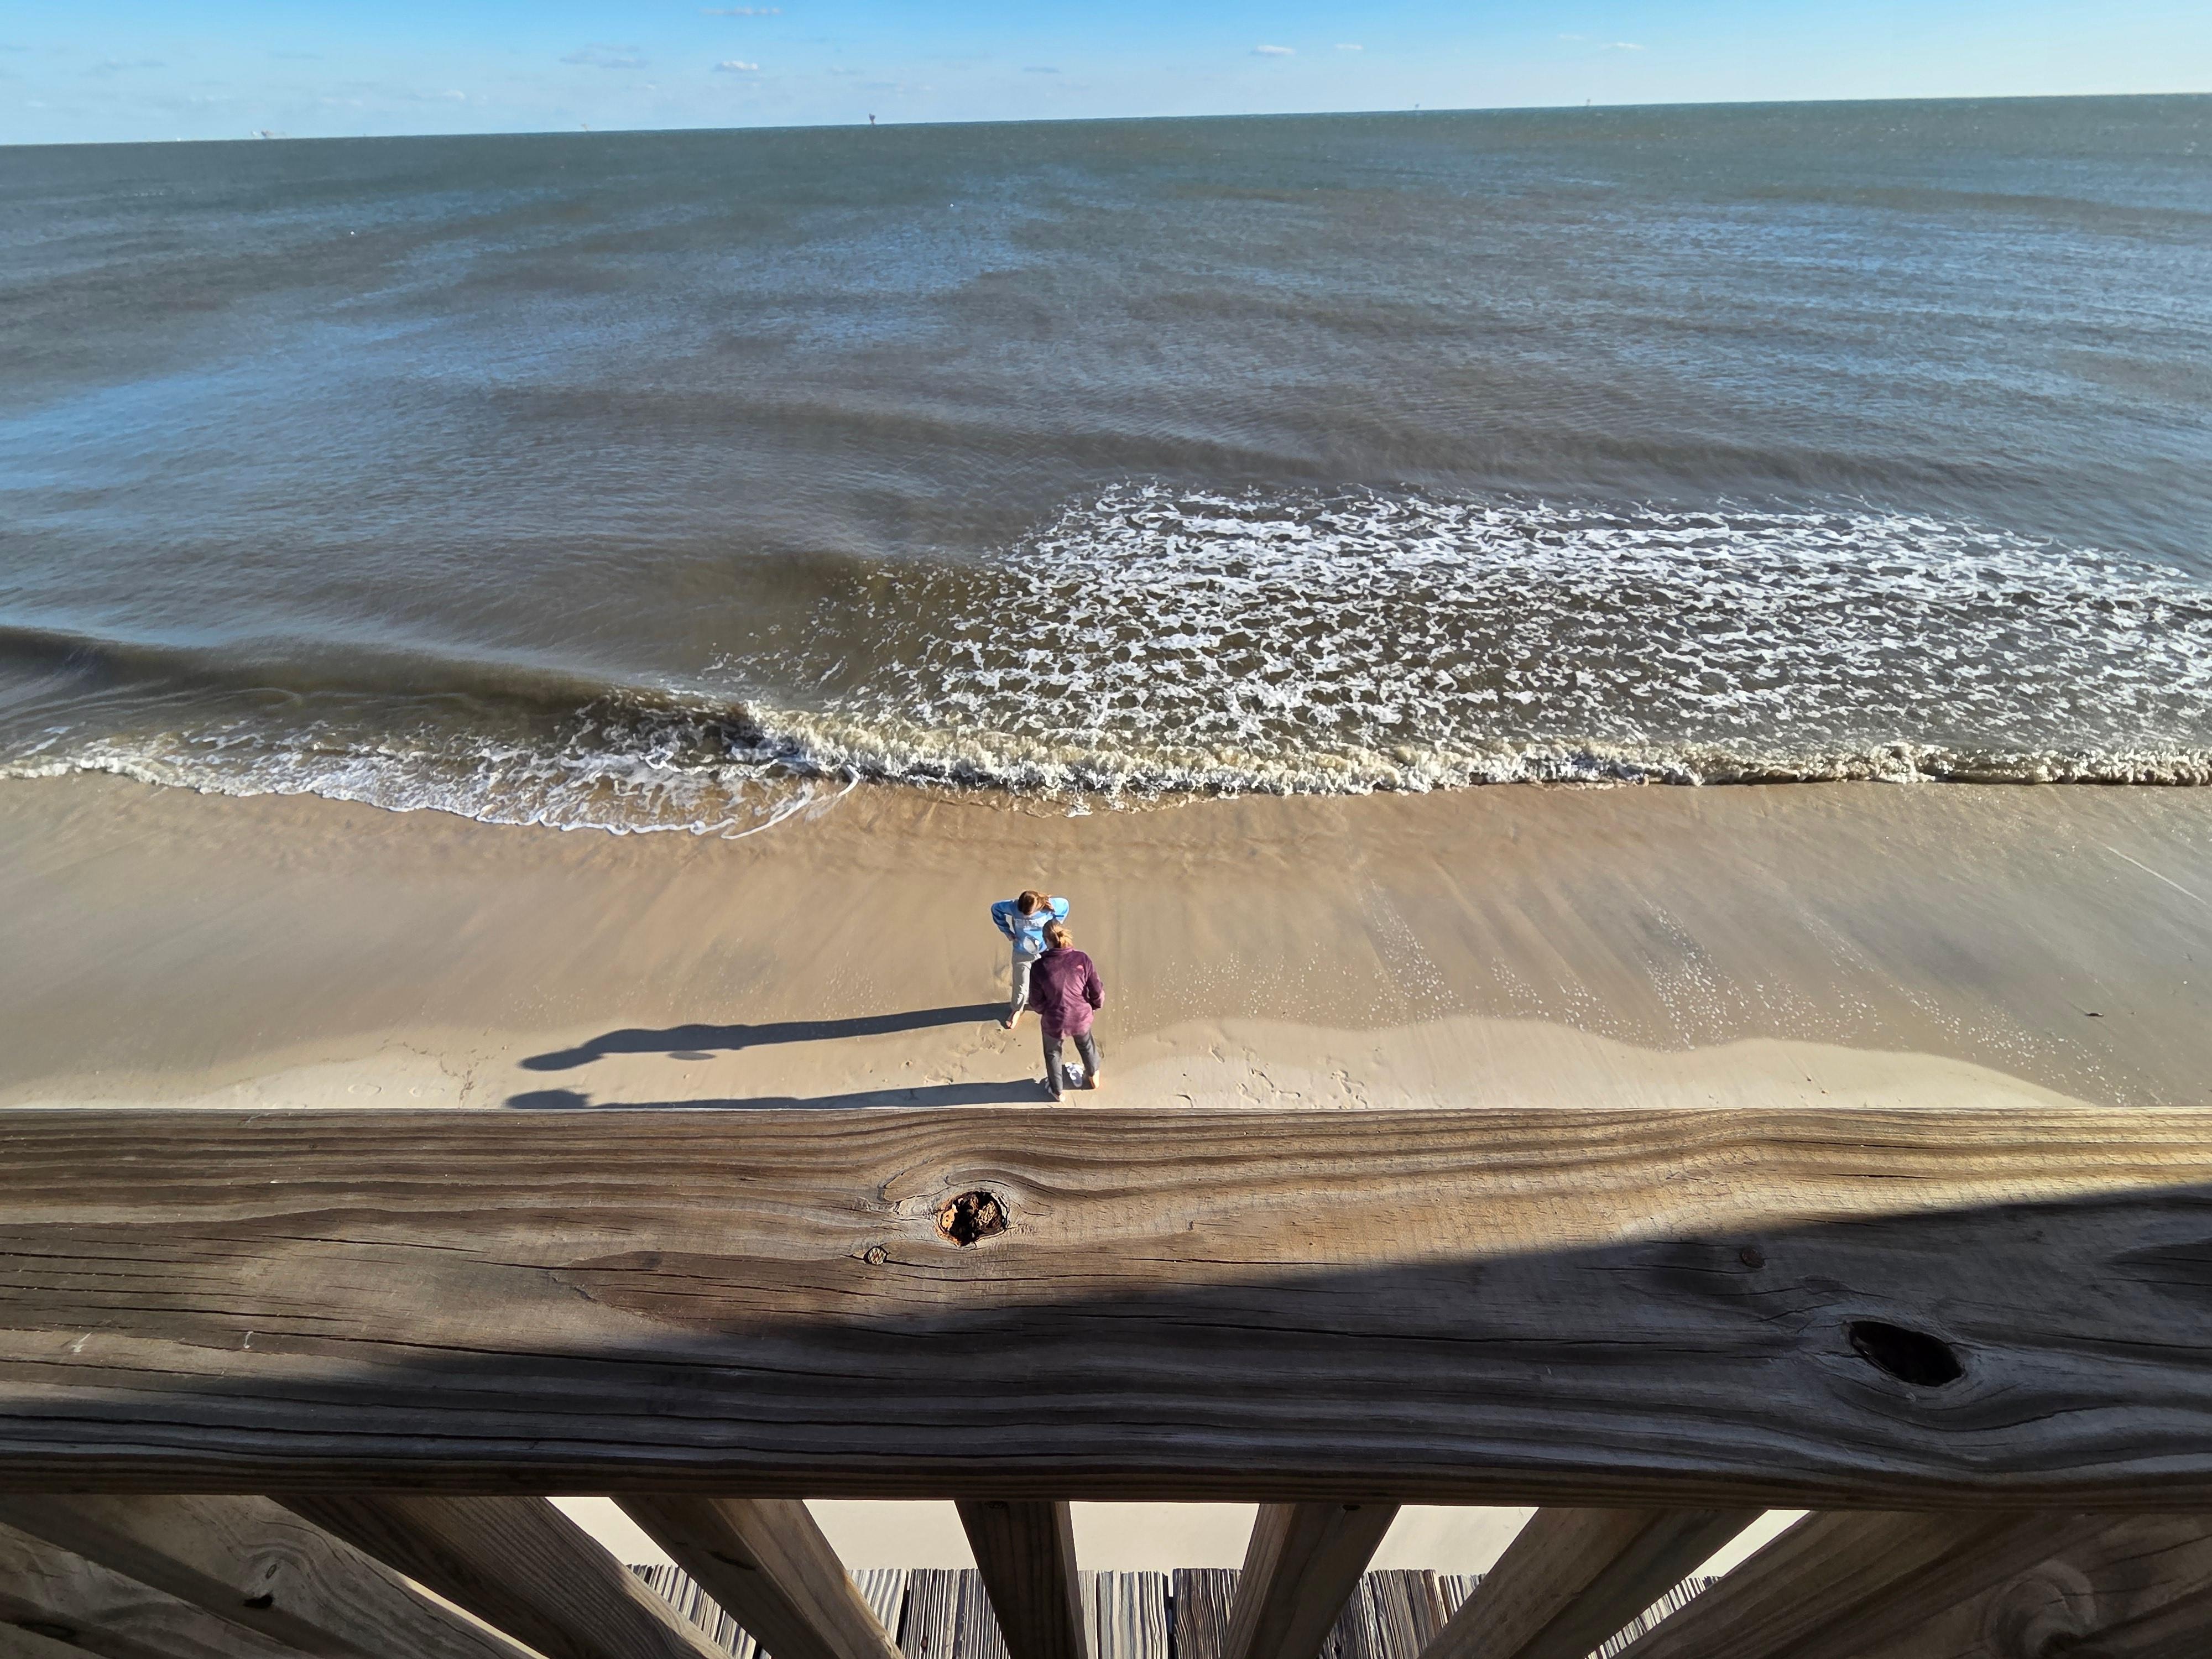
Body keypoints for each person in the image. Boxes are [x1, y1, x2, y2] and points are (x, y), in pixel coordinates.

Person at [1027, 920, 1103, 1100]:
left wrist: (1047, 1011)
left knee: (1053, 1053)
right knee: (1087, 1046)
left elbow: (1036, 1001)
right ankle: (1093, 1078)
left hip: (1054, 1020)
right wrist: (1094, 1005)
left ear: (1046, 940)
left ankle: (1057, 1091)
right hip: (1081, 1016)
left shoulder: (1039, 967)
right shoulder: (1082, 959)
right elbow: (1097, 990)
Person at [990, 889, 1068, 1029]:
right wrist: (1007, 931)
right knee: (1022, 985)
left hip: (1046, 951)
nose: (1026, 916)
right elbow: (996, 909)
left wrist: (1055, 925)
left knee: (1050, 981)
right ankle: (1017, 1009)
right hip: (1023, 953)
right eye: (1023, 915)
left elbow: (1065, 905)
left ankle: (1049, 1003)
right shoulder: (1013, 907)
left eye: (1029, 914)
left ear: (1038, 906)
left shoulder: (1049, 906)